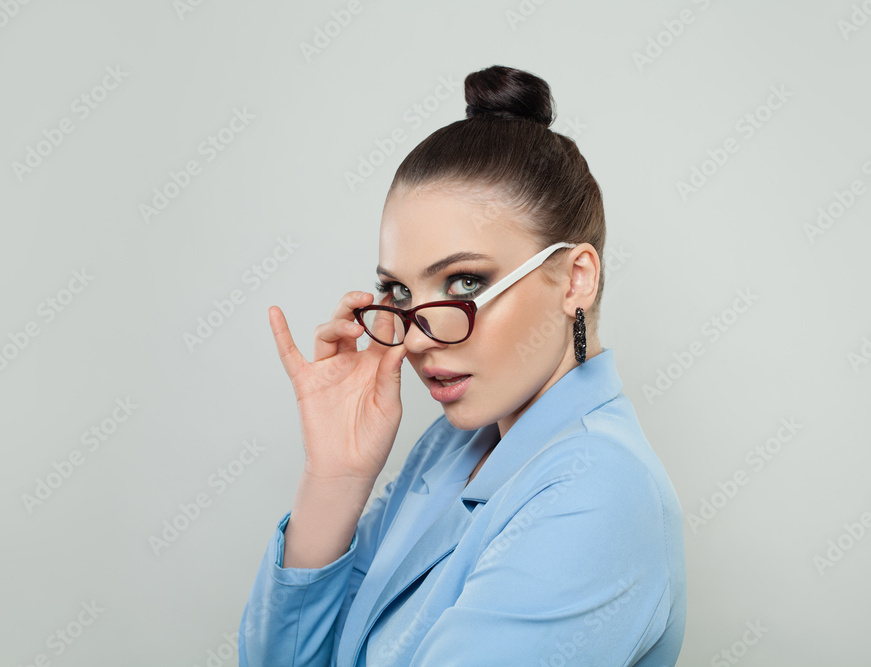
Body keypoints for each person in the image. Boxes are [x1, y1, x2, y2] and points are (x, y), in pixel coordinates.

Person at [238, 64, 686, 666]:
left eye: (465, 280)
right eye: (398, 292)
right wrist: (335, 477)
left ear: (574, 279)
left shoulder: (598, 494)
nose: (419, 339)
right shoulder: (454, 449)